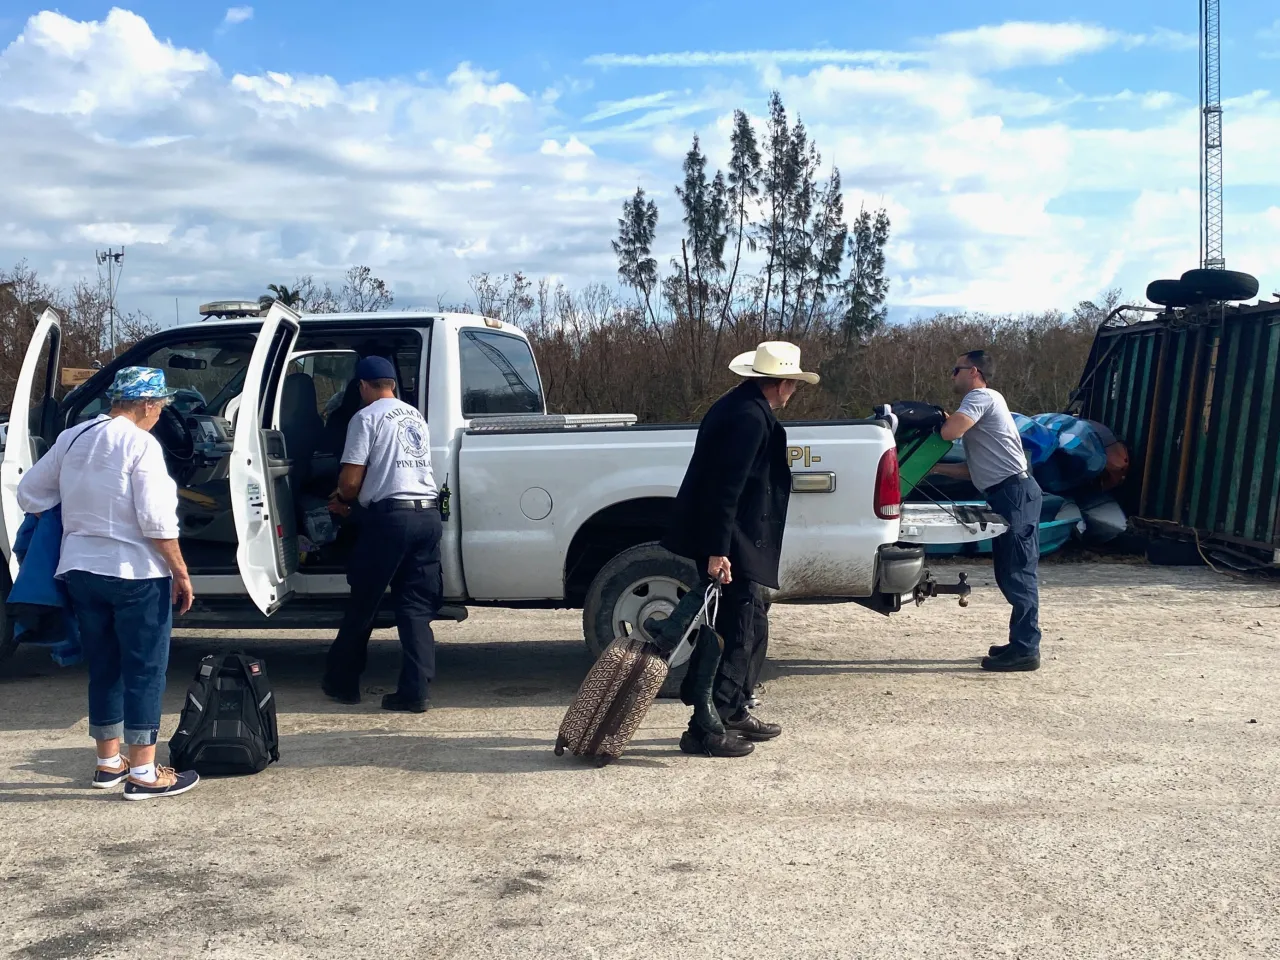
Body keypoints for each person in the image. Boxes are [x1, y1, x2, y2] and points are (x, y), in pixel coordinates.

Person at [17, 367, 199, 800]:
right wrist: (181, 572)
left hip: (80, 569)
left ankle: (107, 763)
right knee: (144, 669)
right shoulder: (141, 445)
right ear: (148, 405)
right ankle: (144, 773)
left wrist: (70, 519)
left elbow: (30, 492)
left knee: (104, 666)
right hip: (135, 572)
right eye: (160, 407)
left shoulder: (73, 437)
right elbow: (156, 521)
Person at [656, 341, 818, 758]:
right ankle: (707, 727)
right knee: (735, 629)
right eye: (793, 384)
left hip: (737, 537)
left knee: (752, 621)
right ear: (780, 383)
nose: (793, 392)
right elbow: (724, 489)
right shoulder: (747, 416)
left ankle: (736, 707)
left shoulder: (741, 406)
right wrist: (717, 550)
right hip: (730, 540)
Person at [321, 355, 442, 712]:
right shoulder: (413, 415)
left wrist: (342, 500)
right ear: (392, 383)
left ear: (362, 386)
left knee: (364, 603)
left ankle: (342, 684)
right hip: (427, 517)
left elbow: (351, 479)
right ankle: (415, 692)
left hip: (391, 521)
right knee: (416, 609)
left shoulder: (365, 417)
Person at [932, 350, 1043, 672]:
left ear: (974, 372)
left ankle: (1025, 650)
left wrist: (938, 418)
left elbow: (949, 432)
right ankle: (1021, 642)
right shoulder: (986, 403)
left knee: (1018, 573)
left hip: (1014, 495)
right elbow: (975, 470)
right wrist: (934, 469)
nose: (953, 375)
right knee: (1009, 571)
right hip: (1009, 492)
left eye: (957, 369)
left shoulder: (981, 396)